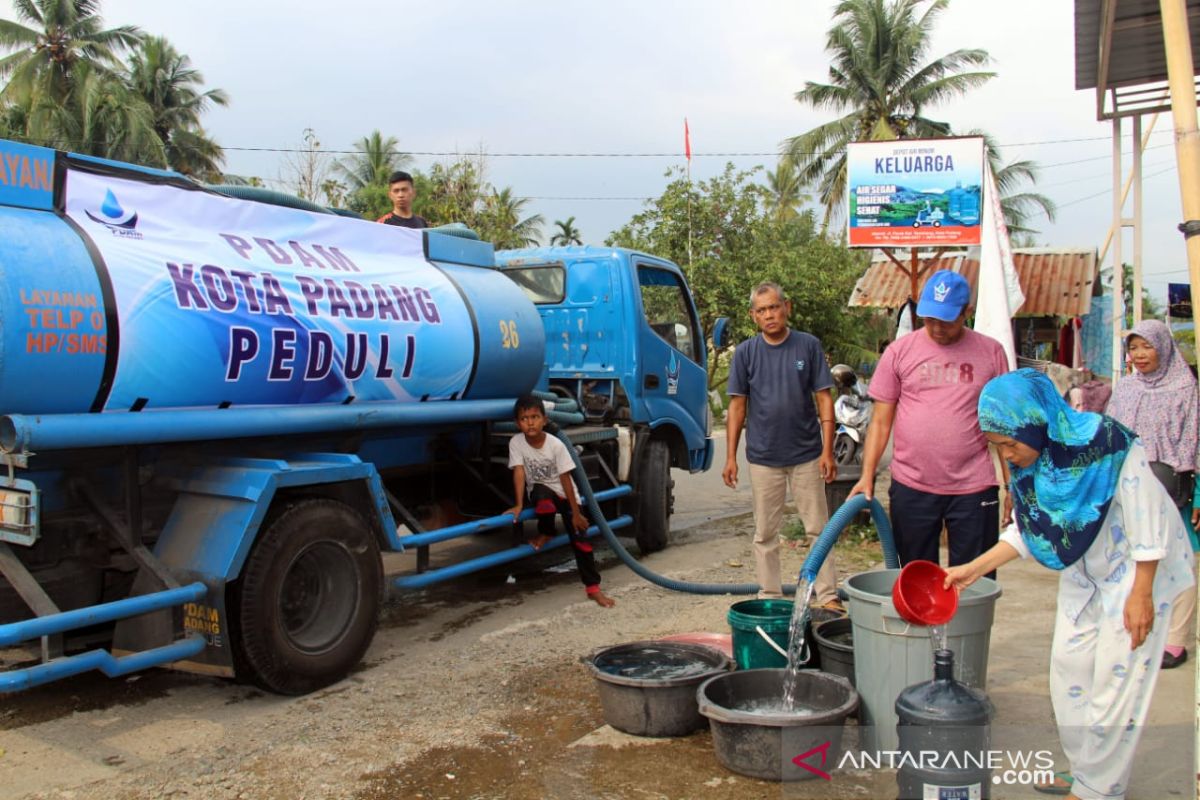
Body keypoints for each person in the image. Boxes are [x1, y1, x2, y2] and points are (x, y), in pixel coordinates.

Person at [944, 369, 1194, 800]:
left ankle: (1098, 788)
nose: (1006, 457)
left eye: (1009, 444)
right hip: (1085, 571)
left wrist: (1142, 594)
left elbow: (1146, 515)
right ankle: (1085, 770)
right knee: (1069, 671)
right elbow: (1029, 530)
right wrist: (972, 569)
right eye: (997, 447)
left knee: (1117, 683)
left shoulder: (1111, 444)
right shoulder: (1034, 464)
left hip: (1137, 570)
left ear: (1035, 422)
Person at [849, 270, 1010, 575]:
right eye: (929, 318)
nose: (936, 327)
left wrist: (1012, 484)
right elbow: (881, 422)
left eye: (946, 320)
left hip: (974, 487)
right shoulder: (900, 352)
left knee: (976, 581)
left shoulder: (991, 353)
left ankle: (968, 626)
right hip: (913, 485)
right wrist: (867, 475)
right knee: (916, 579)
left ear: (967, 312)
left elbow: (1004, 426)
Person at [722, 282, 841, 608]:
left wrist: (828, 450)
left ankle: (828, 595)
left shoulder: (808, 346)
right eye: (762, 310)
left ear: (786, 307)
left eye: (774, 307)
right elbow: (737, 407)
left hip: (806, 454)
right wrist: (730, 457)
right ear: (753, 315)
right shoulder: (746, 353)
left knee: (819, 530)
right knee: (765, 534)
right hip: (763, 457)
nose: (769, 315)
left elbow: (824, 399)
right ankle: (770, 596)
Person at [1106, 319, 1199, 670]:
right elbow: (1110, 435)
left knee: (1180, 559)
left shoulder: (1185, 387)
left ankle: (1176, 640)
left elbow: (1197, 442)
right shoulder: (1126, 388)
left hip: (1173, 486)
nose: (1140, 355)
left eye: (1147, 346)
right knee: (1132, 559)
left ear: (1164, 346)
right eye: (1134, 348)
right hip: (1127, 487)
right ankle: (1137, 630)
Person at [505, 394, 614, 607]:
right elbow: (518, 473)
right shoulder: (516, 443)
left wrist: (575, 513)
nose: (530, 422)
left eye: (535, 417)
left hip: (565, 494)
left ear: (544, 420)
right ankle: (547, 531)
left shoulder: (556, 445)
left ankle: (593, 588)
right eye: (524, 418)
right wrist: (518, 505)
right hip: (541, 492)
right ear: (518, 423)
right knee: (541, 497)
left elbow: (566, 479)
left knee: (581, 541)